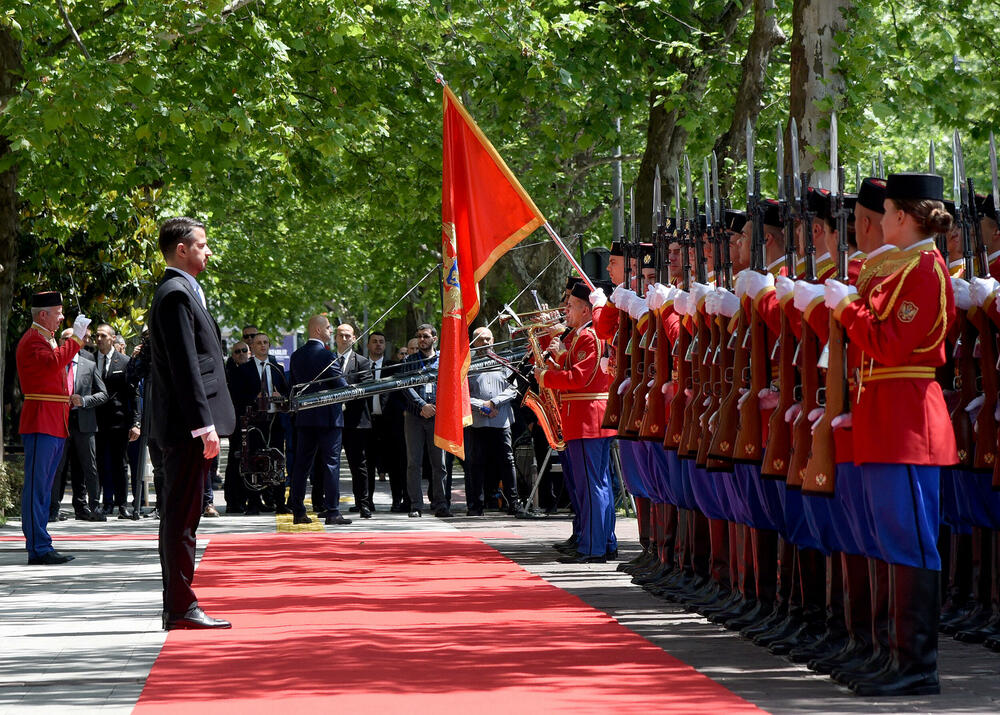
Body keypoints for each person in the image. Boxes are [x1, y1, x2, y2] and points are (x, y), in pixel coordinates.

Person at [824, 172, 956, 696]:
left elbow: (890, 344)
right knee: (884, 539)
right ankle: (889, 655)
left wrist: (846, 307)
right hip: (882, 415)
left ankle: (917, 664)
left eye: (885, 214)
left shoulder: (925, 269)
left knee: (910, 542)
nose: (877, 224)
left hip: (908, 422)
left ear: (902, 215)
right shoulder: (896, 268)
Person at [148, 217, 235, 630]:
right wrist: (204, 426)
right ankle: (180, 606)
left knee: (184, 517)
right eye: (202, 244)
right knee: (181, 518)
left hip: (187, 427)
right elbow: (185, 367)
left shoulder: (182, 291)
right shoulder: (175, 294)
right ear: (181, 249)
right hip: (186, 429)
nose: (208, 251)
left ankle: (179, 604)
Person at [535, 281, 617, 563]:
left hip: (587, 418)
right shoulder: (582, 335)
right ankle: (603, 542)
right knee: (598, 484)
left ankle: (593, 548)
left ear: (585, 310)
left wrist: (546, 378)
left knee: (591, 486)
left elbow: (578, 378)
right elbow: (570, 364)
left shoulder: (589, 337)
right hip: (587, 418)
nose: (565, 310)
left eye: (570, 306)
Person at [16, 291, 90, 565]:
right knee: (37, 487)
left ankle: (40, 543)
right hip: (40, 419)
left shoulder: (44, 339)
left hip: (52, 419)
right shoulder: (33, 340)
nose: (61, 317)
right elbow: (53, 364)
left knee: (44, 486)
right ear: (42, 314)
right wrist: (76, 339)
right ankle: (38, 546)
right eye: (58, 312)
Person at [288, 315, 350, 525]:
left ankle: (298, 510)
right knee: (331, 464)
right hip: (329, 419)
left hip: (305, 419)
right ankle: (332, 511)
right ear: (317, 330)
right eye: (328, 328)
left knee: (301, 465)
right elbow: (340, 386)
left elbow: (294, 386)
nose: (331, 331)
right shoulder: (327, 356)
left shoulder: (296, 356)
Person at [51, 327, 108, 522]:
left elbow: (103, 394)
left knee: (89, 466)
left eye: (72, 339)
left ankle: (94, 507)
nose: (68, 343)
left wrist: (83, 400)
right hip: (59, 421)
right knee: (57, 466)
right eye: (65, 339)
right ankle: (52, 509)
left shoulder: (89, 364)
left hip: (83, 421)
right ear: (60, 342)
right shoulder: (54, 364)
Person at [465, 327, 522, 516]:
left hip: (501, 420)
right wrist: (482, 405)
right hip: (478, 421)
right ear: (474, 343)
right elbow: (463, 392)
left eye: (489, 339)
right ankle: (476, 505)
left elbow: (513, 388)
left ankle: (513, 503)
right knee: (476, 463)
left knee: (507, 461)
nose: (487, 343)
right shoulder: (467, 364)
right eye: (482, 340)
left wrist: (494, 402)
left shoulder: (504, 361)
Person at [234, 332, 290, 515]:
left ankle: (280, 503)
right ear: (253, 347)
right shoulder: (244, 369)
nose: (263, 346)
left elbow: (287, 394)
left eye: (266, 342)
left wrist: (280, 397)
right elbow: (238, 397)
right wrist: (254, 399)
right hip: (254, 423)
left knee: (278, 462)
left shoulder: (277, 368)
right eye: (259, 343)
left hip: (275, 422)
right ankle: (254, 503)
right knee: (253, 461)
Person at [400, 323, 451, 518]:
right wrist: (422, 405)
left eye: (426, 336)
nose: (422, 339)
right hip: (415, 416)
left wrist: (435, 406)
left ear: (434, 339)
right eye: (419, 336)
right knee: (414, 462)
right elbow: (405, 386)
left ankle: (441, 504)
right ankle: (415, 505)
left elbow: (449, 386)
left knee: (440, 463)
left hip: (438, 417)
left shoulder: (444, 360)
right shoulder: (409, 361)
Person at [94, 323, 140, 518]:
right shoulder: (90, 361)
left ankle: (122, 505)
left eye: (103, 336)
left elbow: (133, 395)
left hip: (119, 420)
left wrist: (136, 422)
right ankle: (106, 503)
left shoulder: (124, 361)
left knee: (120, 463)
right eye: (96, 336)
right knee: (102, 463)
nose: (99, 339)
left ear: (112, 338)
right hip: (96, 421)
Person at [334, 323, 374, 517]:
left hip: (355, 421)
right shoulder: (329, 361)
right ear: (335, 338)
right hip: (331, 420)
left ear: (354, 338)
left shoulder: (362, 362)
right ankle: (326, 504)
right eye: (340, 336)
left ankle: (363, 504)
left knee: (358, 465)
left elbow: (367, 387)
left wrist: (345, 397)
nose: (344, 339)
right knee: (328, 463)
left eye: (348, 336)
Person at [367, 332, 408, 512]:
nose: (378, 345)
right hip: (367, 422)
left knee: (395, 463)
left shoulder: (393, 367)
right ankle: (366, 501)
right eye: (374, 342)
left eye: (381, 342)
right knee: (367, 463)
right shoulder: (361, 366)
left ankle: (397, 500)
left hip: (391, 423)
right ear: (368, 345)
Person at [223, 339, 250, 512]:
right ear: (233, 355)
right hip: (235, 421)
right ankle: (233, 500)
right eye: (237, 352)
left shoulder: (254, 369)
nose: (241, 354)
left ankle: (248, 498)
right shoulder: (229, 372)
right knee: (235, 460)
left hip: (252, 420)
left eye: (244, 351)